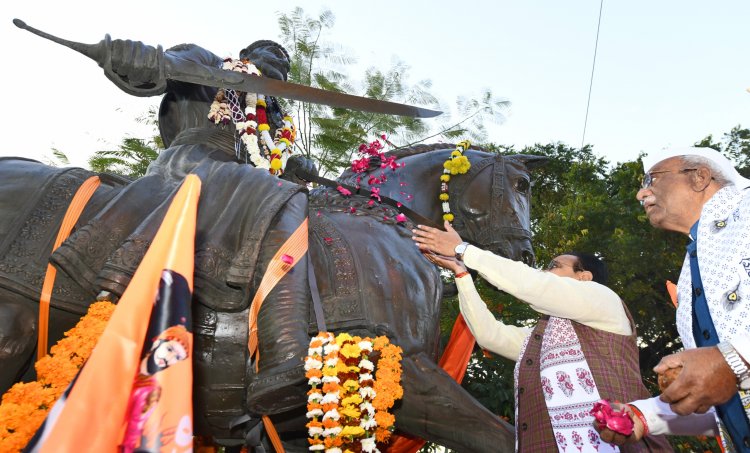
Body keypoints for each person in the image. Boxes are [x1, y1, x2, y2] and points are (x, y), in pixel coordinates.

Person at [412, 222, 672, 452]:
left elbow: (536, 286)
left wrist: (463, 249)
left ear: (584, 277)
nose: (545, 271)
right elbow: (489, 335)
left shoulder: (605, 301)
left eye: (554, 266)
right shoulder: (544, 338)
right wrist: (461, 273)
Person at [597, 147, 750, 452]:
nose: (641, 193)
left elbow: (729, 366)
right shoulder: (690, 269)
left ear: (699, 177)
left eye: (652, 179)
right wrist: (643, 416)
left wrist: (735, 358)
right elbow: (725, 403)